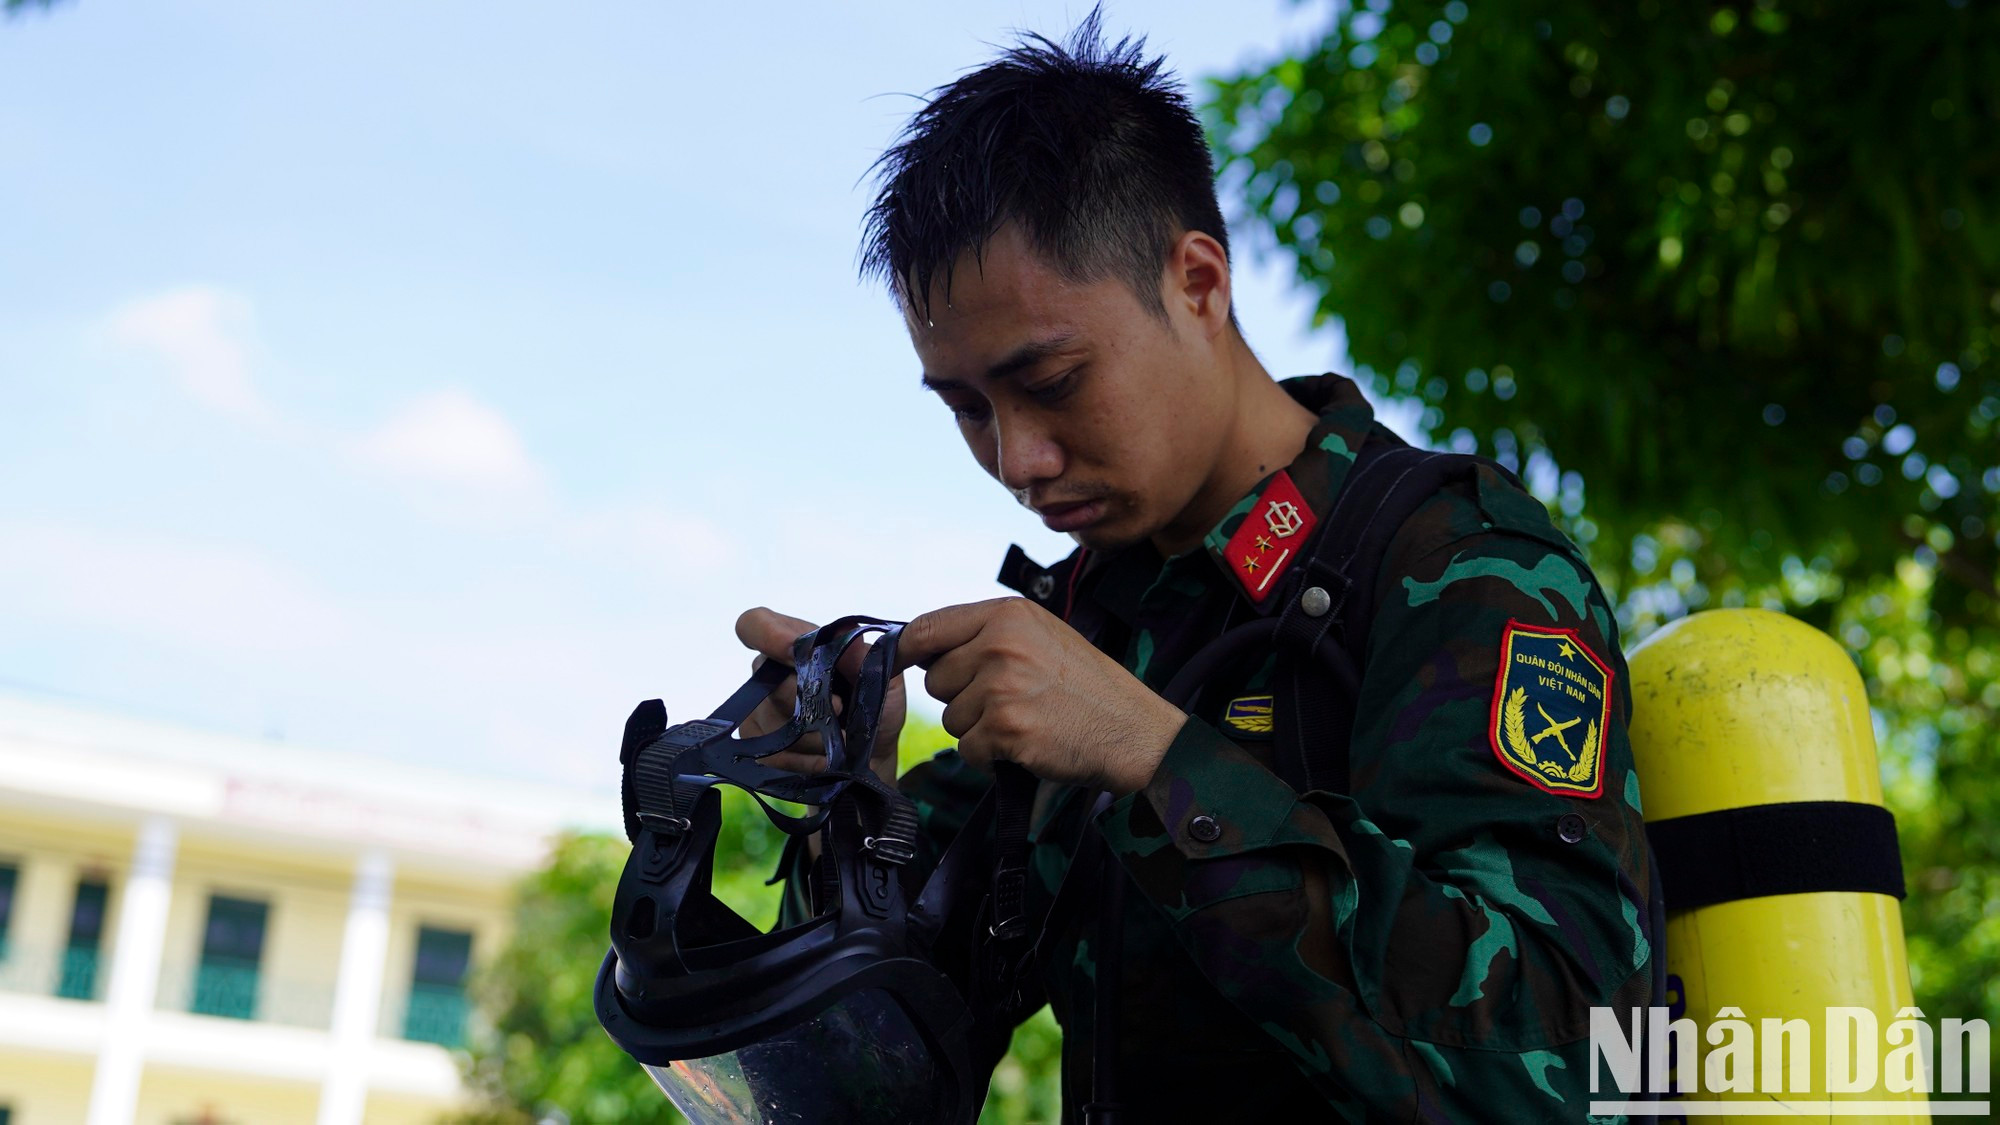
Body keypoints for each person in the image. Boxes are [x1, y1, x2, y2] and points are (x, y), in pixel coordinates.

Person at [735, 9, 1658, 1121]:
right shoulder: (1087, 621)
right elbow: (863, 1069)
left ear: (1199, 283)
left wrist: (1157, 759)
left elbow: (1581, 1056)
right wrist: (854, 799)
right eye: (966, 408)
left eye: (1054, 382)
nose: (1017, 460)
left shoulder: (1453, 565)